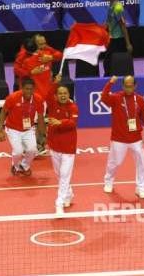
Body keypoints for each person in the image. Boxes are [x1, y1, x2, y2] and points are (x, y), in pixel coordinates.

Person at [101, 75, 144, 198]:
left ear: (135, 86)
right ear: (123, 86)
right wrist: (110, 83)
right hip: (119, 138)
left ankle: (141, 188)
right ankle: (108, 181)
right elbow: (103, 98)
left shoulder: (139, 99)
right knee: (115, 162)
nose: (129, 88)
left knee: (142, 163)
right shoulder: (116, 98)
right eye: (126, 86)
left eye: (131, 86)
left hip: (136, 138)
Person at [0, 78, 45, 176]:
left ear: (34, 89)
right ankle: (15, 166)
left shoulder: (38, 99)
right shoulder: (12, 98)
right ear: (22, 88)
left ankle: (24, 166)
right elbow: (3, 113)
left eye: (31, 89)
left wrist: (43, 135)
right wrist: (0, 130)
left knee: (33, 150)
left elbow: (40, 118)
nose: (29, 91)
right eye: (27, 89)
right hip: (13, 129)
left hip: (28, 129)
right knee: (18, 151)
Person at [45, 75, 78, 214]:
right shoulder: (52, 104)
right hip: (54, 147)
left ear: (69, 94)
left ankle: (59, 202)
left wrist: (60, 122)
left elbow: (72, 123)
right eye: (60, 93)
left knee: (64, 175)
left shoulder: (73, 107)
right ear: (57, 95)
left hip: (68, 149)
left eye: (65, 93)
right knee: (59, 175)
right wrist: (54, 83)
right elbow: (47, 95)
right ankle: (69, 193)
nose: (63, 95)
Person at [103, 0, 133, 77]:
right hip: (112, 38)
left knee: (107, 62)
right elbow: (108, 22)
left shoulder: (117, 8)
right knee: (108, 62)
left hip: (118, 39)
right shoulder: (110, 5)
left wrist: (128, 44)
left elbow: (123, 25)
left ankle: (108, 79)